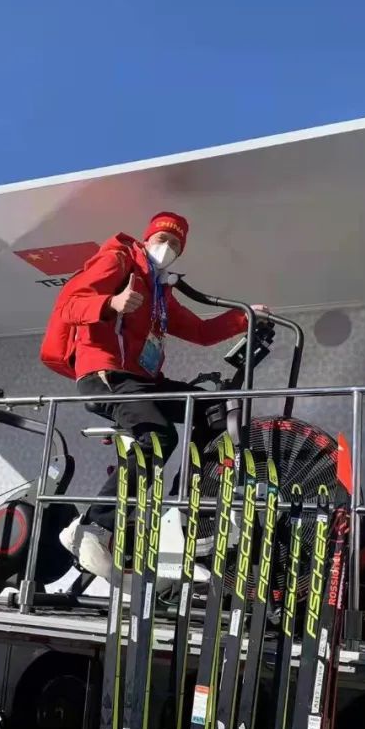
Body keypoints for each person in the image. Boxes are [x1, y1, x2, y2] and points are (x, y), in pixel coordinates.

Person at [40, 211, 267, 578]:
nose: (168, 248)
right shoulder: (118, 260)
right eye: (163, 239)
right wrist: (110, 303)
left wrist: (246, 318)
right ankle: (93, 526)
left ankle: (185, 511)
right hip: (105, 373)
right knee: (159, 436)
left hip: (143, 381)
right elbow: (68, 304)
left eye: (176, 244)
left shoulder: (159, 292)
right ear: (147, 238)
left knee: (214, 408)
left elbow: (200, 332)